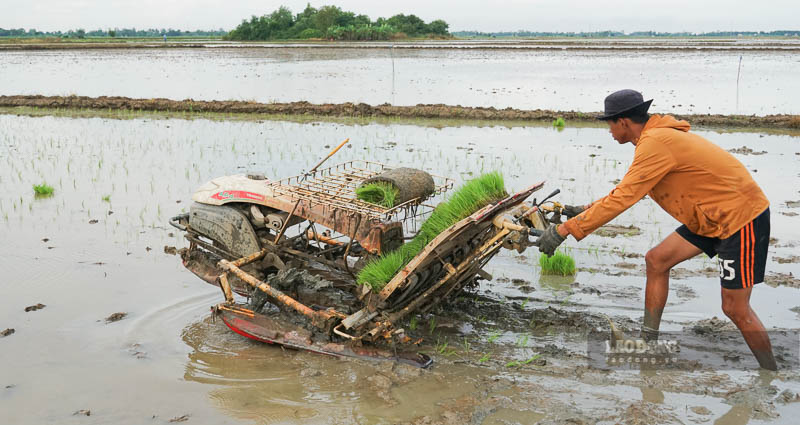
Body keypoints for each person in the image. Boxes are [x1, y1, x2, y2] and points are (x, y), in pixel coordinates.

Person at [537, 89, 777, 370]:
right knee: (657, 260)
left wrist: (564, 230)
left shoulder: (656, 143)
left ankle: (770, 373)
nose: (609, 131)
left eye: (610, 124)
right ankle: (648, 343)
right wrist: (581, 210)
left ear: (624, 122)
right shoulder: (652, 140)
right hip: (710, 217)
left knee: (735, 308)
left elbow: (624, 198)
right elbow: (626, 190)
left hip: (739, 217)